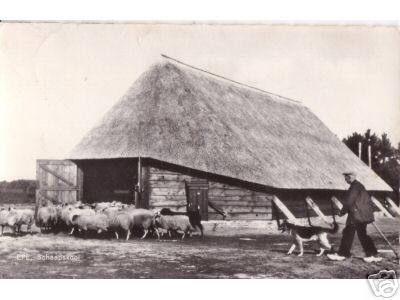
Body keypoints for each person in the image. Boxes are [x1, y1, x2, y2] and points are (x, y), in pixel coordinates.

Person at [327, 171, 382, 263]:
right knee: (353, 233)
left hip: (357, 216)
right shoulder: (358, 186)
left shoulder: (355, 187)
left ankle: (344, 254)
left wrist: (342, 212)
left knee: (352, 234)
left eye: (346, 177)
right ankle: (368, 254)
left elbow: (349, 202)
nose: (345, 179)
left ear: (351, 177)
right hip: (359, 214)